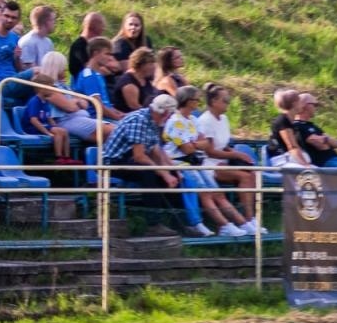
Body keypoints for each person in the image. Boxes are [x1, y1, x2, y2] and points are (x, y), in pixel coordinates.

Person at [162, 85, 251, 237]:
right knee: (205, 192)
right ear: (187, 101)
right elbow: (186, 149)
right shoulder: (175, 121)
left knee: (218, 193)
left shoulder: (193, 120)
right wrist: (197, 145)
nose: (199, 102)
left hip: (195, 161)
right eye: (196, 99)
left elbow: (203, 144)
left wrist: (195, 144)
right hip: (179, 162)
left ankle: (243, 223)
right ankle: (218, 225)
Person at [98, 96, 183, 227]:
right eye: (170, 114)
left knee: (172, 174)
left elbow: (156, 151)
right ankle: (154, 222)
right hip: (114, 162)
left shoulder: (154, 122)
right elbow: (139, 156)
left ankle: (177, 221)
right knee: (147, 172)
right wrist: (163, 173)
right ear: (165, 113)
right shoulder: (139, 120)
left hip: (131, 160)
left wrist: (170, 170)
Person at [196, 83, 261, 226]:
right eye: (225, 101)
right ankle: (249, 219)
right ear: (213, 102)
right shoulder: (205, 121)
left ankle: (252, 218)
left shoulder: (224, 119)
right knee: (244, 176)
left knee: (253, 174)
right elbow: (210, 151)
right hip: (208, 164)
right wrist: (236, 155)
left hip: (223, 161)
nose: (228, 104)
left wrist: (236, 153)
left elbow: (223, 144)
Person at [30, 51, 110, 156]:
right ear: (56, 67)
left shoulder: (64, 86)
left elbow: (85, 104)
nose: (66, 70)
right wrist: (76, 101)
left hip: (80, 118)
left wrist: (74, 101)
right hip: (67, 121)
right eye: (63, 66)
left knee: (112, 133)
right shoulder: (49, 89)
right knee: (112, 131)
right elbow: (70, 108)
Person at [285, 92, 337, 169]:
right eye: (314, 105)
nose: (316, 108)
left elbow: (336, 144)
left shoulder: (312, 126)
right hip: (325, 162)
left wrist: (325, 139)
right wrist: (326, 139)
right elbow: (319, 144)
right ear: (305, 105)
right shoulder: (298, 126)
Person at [73, 37, 126, 122]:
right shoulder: (89, 76)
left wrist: (122, 115)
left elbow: (107, 105)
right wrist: (119, 119)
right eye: (107, 54)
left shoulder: (98, 74)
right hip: (96, 119)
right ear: (95, 53)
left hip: (107, 118)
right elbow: (98, 106)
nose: (110, 58)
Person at [111, 47, 157, 113]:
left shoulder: (145, 78)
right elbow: (135, 107)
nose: (153, 67)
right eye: (150, 64)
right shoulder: (129, 84)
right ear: (141, 65)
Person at [267, 88, 305, 166]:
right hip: (281, 161)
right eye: (300, 102)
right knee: (311, 174)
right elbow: (292, 147)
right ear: (294, 104)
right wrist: (306, 165)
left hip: (291, 160)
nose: (303, 105)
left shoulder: (291, 122)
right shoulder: (282, 121)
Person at [68, 11, 108, 81]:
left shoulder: (94, 45)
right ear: (94, 26)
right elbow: (87, 68)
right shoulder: (78, 46)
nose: (103, 28)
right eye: (101, 25)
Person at [17, 5, 57, 70]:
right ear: (46, 22)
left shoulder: (48, 42)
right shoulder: (28, 42)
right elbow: (30, 71)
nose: (54, 23)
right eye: (53, 20)